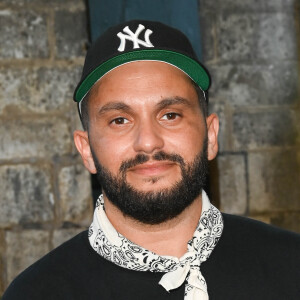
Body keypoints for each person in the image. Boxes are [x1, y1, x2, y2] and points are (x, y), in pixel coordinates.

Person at [3, 19, 300, 300]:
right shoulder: (36, 293)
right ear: (86, 150)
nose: (148, 141)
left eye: (170, 115)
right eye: (120, 120)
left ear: (210, 135)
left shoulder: (290, 265)